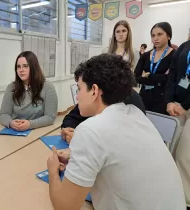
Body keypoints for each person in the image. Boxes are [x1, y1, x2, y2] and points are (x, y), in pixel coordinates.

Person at [46, 54, 186, 210]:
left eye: (79, 88)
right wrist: (77, 155)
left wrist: (52, 170)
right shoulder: (135, 113)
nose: (77, 96)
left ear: (94, 90)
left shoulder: (89, 130)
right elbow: (122, 154)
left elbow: (64, 206)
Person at [0, 51, 58, 131]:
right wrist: (11, 123)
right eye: (18, 67)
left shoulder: (48, 88)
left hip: (37, 130)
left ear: (34, 67)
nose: (21, 70)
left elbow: (50, 117)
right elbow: (3, 114)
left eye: (25, 66)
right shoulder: (11, 88)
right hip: (15, 131)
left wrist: (30, 124)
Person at [61, 89, 145, 143]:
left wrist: (81, 140)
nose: (77, 96)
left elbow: (122, 142)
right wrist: (68, 130)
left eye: (80, 88)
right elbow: (71, 117)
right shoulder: (91, 100)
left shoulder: (131, 99)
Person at [165, 40, 190, 209]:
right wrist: (168, 101)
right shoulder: (184, 46)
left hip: (185, 106)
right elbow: (172, 76)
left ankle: (185, 200)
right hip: (176, 106)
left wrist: (185, 105)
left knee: (185, 156)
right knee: (172, 152)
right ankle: (174, 193)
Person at [135, 22, 175, 115]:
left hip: (163, 99)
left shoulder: (175, 55)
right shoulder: (145, 55)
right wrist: (158, 80)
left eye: (160, 34)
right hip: (144, 96)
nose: (155, 38)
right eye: (153, 36)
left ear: (168, 36)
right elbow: (136, 77)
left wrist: (149, 76)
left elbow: (170, 79)